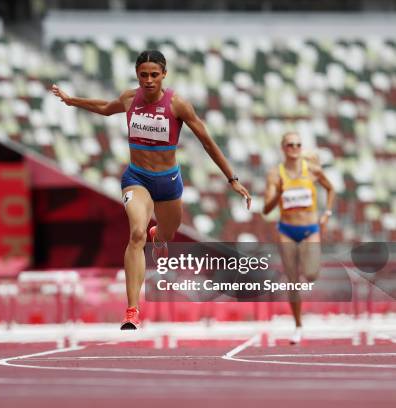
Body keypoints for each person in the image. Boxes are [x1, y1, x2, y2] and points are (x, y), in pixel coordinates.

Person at [52, 50, 251, 330]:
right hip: (137, 178)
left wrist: (233, 179)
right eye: (143, 75)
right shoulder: (129, 98)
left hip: (168, 182)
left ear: (164, 75)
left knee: (167, 232)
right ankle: (132, 310)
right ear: (137, 75)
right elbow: (105, 107)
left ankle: (159, 235)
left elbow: (207, 141)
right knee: (136, 233)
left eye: (154, 75)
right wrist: (71, 101)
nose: (148, 80)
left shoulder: (178, 105)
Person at [263, 132, 335, 344]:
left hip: (310, 229)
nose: (294, 148)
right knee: (293, 282)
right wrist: (278, 194)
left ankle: (306, 263)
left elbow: (331, 188)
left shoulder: (312, 170)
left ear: (301, 147)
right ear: (283, 148)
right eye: (289, 145)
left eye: (297, 144)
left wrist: (327, 213)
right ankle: (298, 325)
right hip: (286, 230)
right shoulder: (275, 174)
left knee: (311, 274)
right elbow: (266, 209)